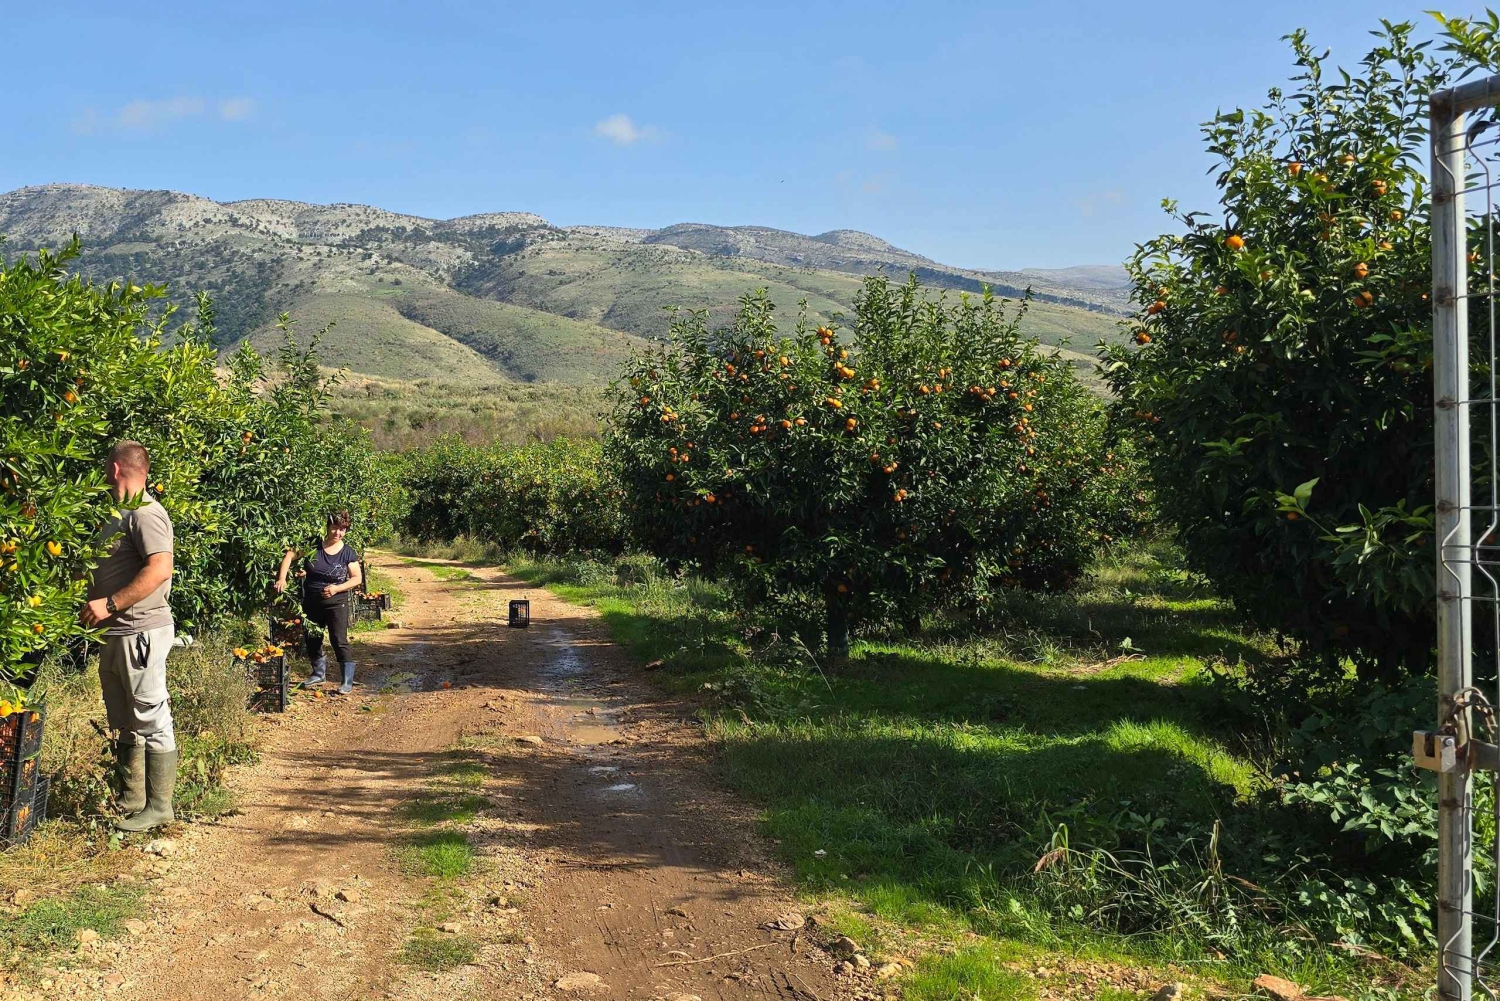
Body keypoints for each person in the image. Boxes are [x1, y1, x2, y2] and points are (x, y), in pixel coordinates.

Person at [81, 441, 178, 833]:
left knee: (151, 718)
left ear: (117, 468)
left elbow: (160, 568)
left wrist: (111, 603)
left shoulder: (146, 513)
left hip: (140, 631)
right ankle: (131, 799)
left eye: (107, 464)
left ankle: (159, 807)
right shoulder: (118, 513)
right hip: (117, 633)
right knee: (125, 719)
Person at [275, 512, 362, 695]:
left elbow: (356, 578)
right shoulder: (313, 545)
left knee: (339, 639)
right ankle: (318, 673)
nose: (338, 533)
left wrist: (337, 588)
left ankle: (346, 681)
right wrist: (282, 578)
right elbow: (290, 555)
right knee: (312, 637)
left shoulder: (347, 552)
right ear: (328, 527)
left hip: (336, 603)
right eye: (335, 528)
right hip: (311, 601)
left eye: (343, 529)